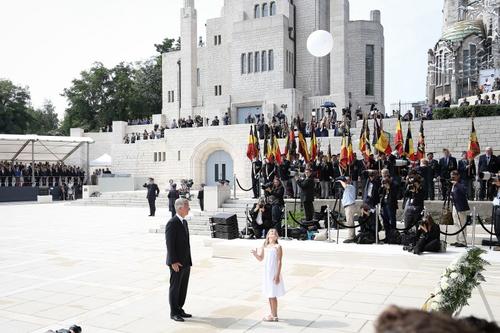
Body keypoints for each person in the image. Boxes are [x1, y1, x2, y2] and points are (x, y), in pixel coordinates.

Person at [165, 198, 192, 322]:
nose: (189, 208)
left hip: (186, 261)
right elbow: (170, 244)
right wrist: (173, 261)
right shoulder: (172, 223)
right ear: (180, 208)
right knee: (175, 287)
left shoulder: (184, 222)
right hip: (177, 263)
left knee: (183, 287)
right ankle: (174, 312)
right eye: (187, 206)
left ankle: (179, 308)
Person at [251, 228, 285, 322]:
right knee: (270, 294)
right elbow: (261, 258)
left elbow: (279, 261)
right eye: (271, 232)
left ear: (276, 236)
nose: (272, 233)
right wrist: (255, 254)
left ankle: (274, 315)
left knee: (273, 294)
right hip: (267, 272)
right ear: (268, 235)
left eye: (274, 232)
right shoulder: (265, 246)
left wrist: (277, 274)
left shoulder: (278, 247)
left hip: (274, 272)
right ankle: (273, 314)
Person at [450, 170, 470, 247]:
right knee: (456, 223)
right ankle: (457, 240)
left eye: (454, 176)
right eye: (451, 176)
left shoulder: (462, 182)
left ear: (458, 176)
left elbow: (465, 190)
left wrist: (457, 184)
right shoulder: (452, 184)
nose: (452, 177)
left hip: (461, 206)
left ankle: (463, 241)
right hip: (454, 205)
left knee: (461, 223)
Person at [338, 177, 357, 243]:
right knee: (350, 221)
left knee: (350, 222)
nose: (345, 181)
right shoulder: (347, 188)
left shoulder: (350, 186)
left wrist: (340, 181)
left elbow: (345, 185)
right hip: (347, 206)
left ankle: (351, 237)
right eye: (345, 180)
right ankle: (353, 236)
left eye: (347, 180)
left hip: (350, 206)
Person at [379, 169, 398, 235]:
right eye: (382, 174)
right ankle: (387, 235)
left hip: (391, 204)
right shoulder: (382, 182)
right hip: (384, 204)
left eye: (384, 174)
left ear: (387, 174)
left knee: (392, 220)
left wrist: (389, 186)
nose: (383, 175)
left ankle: (393, 235)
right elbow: (379, 192)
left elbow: (396, 192)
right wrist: (382, 186)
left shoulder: (393, 181)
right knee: (385, 221)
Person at [492, 174, 500, 251]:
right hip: (497, 208)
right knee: (496, 227)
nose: (495, 182)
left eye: (497, 181)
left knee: (499, 227)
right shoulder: (498, 188)